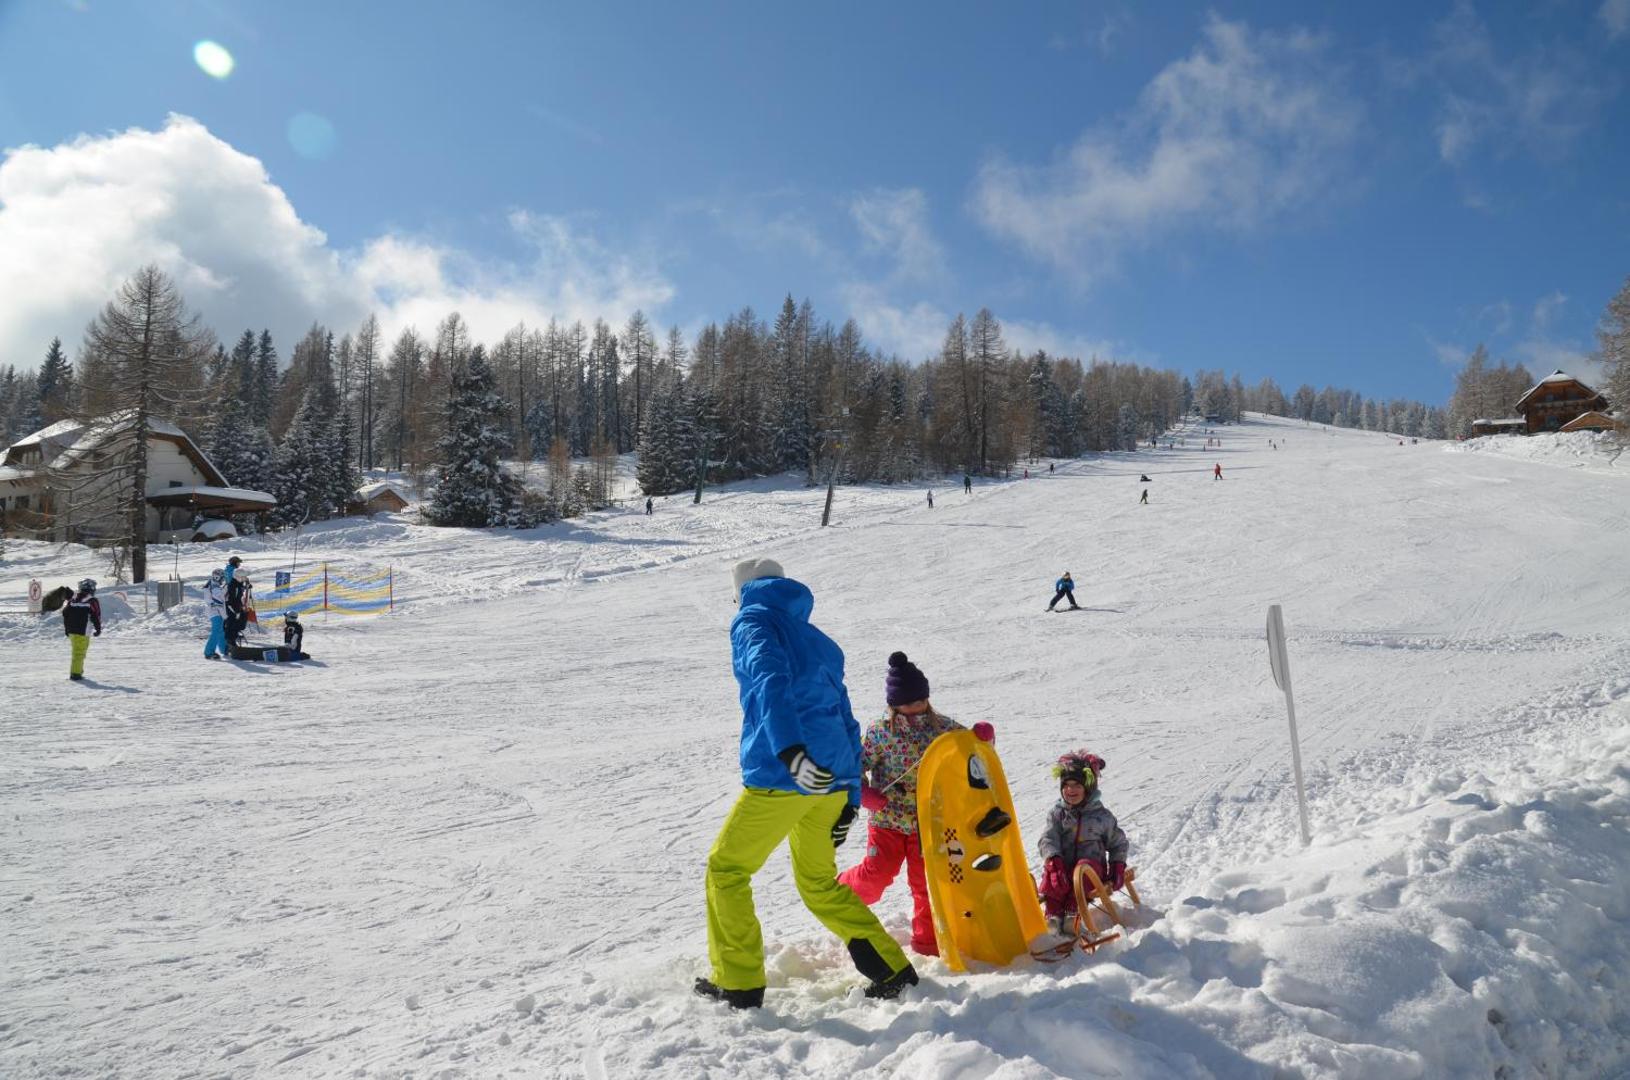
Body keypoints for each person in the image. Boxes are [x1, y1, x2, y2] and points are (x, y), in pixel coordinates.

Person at [695, 559, 919, 1010]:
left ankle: (738, 981)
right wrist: (851, 794)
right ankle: (892, 970)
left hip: (786, 774)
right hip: (830, 779)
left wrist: (790, 752)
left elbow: (768, 681)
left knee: (727, 869)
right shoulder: (820, 641)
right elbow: (844, 713)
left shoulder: (752, 621)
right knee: (818, 881)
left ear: (744, 591)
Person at [838, 653, 994, 957]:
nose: (914, 708)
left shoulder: (944, 729)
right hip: (888, 819)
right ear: (894, 704)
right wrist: (863, 792)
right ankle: (838, 896)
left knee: (926, 885)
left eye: (920, 701)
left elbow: (974, 757)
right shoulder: (880, 732)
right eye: (907, 703)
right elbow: (853, 766)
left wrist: (984, 739)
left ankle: (927, 943)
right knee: (877, 874)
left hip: (930, 823)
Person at [1037, 750, 1129, 935]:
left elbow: (1118, 843)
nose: (1071, 790)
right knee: (1052, 872)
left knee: (1083, 868)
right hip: (1064, 867)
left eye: (1077, 785)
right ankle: (1053, 916)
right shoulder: (1057, 814)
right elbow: (1048, 838)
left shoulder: (1102, 817)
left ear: (1088, 788)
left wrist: (1117, 866)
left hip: (1091, 871)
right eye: (1067, 785)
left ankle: (1074, 912)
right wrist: (1053, 859)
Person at [62, 578, 102, 680]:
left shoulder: (73, 599)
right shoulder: (92, 600)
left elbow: (65, 613)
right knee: (79, 652)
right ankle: (75, 673)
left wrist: (67, 629)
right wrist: (98, 628)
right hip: (83, 631)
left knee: (79, 651)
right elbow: (96, 616)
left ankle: (78, 669)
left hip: (72, 630)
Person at [204, 568, 228, 660]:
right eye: (222, 578)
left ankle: (223, 648)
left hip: (216, 611)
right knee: (216, 631)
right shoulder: (214, 587)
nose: (223, 580)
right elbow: (219, 601)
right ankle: (209, 652)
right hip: (215, 611)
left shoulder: (214, 584)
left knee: (220, 630)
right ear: (218, 577)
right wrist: (225, 616)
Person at [224, 568, 250, 647]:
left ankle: (233, 637)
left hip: (237, 606)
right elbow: (229, 600)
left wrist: (246, 586)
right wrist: (235, 611)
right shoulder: (233, 586)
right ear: (238, 577)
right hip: (232, 607)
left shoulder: (238, 584)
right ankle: (230, 641)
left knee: (241, 622)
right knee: (232, 624)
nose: (244, 579)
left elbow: (240, 591)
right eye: (243, 577)